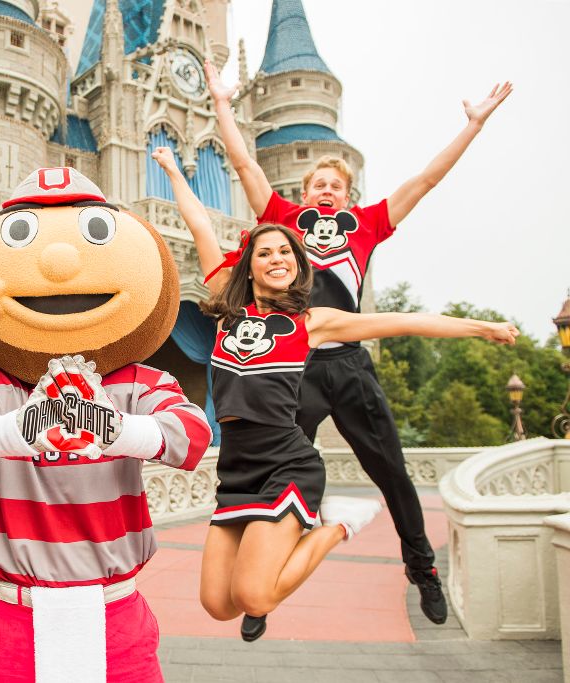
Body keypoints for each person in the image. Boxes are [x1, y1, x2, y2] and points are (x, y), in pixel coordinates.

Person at [203, 59, 512, 624]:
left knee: (390, 468)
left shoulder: (366, 225)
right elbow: (244, 163)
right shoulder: (282, 223)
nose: (326, 191)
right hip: (290, 372)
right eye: (318, 185)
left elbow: (425, 182)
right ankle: (263, 581)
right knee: (272, 464)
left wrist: (472, 126)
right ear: (303, 192)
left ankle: (421, 567)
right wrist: (223, 104)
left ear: (349, 195)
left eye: (337, 187)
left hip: (345, 360)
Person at [0, 167, 212, 681]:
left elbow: (192, 436)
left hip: (115, 612)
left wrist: (113, 428)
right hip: (13, 615)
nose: (59, 264)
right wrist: (20, 428)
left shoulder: (140, 381)